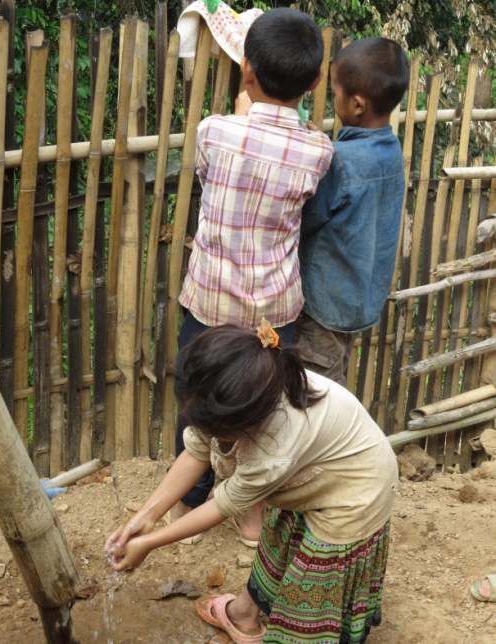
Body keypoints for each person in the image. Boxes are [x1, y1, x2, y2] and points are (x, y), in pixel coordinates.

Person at [105, 323, 398, 643]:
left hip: (355, 495)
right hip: (319, 473)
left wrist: (149, 543)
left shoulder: (274, 447)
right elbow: (195, 453)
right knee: (280, 542)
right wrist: (145, 516)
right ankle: (244, 615)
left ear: (244, 424)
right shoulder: (243, 390)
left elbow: (223, 505)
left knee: (312, 582)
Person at [172, 7, 333, 545]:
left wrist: (243, 116)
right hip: (274, 310)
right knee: (266, 408)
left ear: (245, 71)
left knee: (198, 401)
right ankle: (250, 515)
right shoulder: (319, 150)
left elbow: (209, 172)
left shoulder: (215, 132)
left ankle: (188, 506)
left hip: (210, 305)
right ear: (313, 83)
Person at [296, 37, 410, 387]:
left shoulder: (340, 163)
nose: (332, 101)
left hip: (322, 308)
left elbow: (305, 218)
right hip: (355, 303)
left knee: (318, 397)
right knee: (334, 376)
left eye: (334, 93)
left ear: (358, 104)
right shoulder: (391, 152)